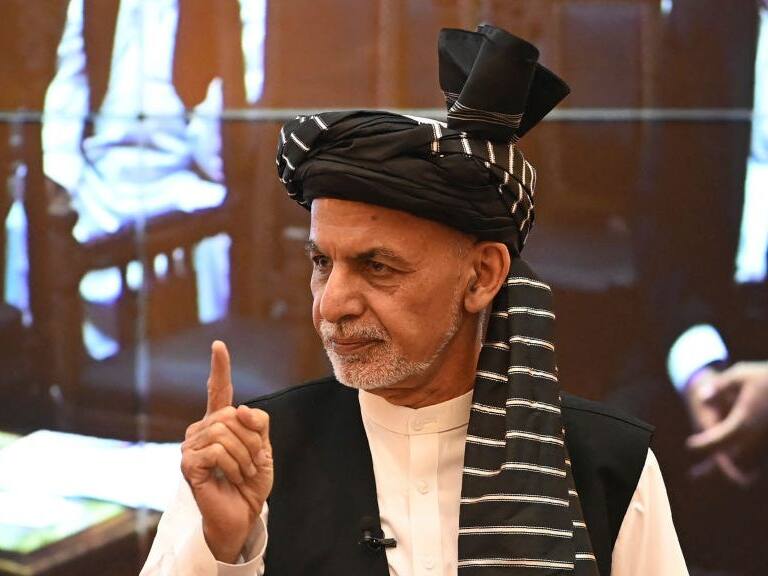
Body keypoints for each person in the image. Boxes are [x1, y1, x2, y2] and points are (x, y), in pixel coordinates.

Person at [141, 25, 688, 576]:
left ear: (482, 276)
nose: (332, 305)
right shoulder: (248, 459)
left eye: (376, 266)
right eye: (321, 263)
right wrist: (226, 547)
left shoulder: (608, 465)